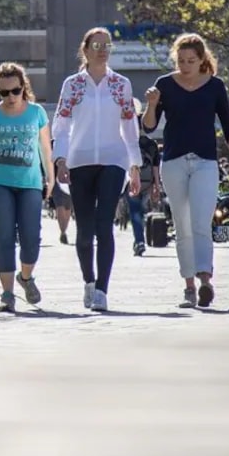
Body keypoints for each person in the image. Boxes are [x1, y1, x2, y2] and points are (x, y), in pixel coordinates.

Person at [142, 32, 229, 309]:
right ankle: (188, 286)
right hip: (173, 162)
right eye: (181, 60)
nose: (185, 66)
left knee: (201, 222)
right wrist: (152, 104)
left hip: (205, 162)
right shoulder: (164, 84)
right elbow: (149, 126)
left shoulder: (215, 86)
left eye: (191, 61)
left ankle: (205, 280)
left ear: (201, 60)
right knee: (182, 226)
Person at [51, 27, 142, 312]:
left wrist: (135, 164)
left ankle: (102, 289)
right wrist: (60, 159)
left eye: (107, 45)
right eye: (97, 45)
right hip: (80, 161)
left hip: (114, 160)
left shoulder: (121, 84)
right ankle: (89, 282)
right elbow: (62, 125)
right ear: (85, 50)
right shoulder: (72, 85)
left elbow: (129, 126)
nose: (102, 50)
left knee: (105, 225)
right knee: (85, 229)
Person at [0, 62, 54, 312]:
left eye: (15, 91)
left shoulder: (37, 112)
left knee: (31, 237)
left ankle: (25, 277)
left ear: (23, 87)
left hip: (30, 183)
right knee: (4, 236)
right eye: (5, 92)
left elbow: (45, 148)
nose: (11, 97)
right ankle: (7, 294)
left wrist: (50, 178)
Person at [128, 134, 162, 256]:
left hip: (131, 180)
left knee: (135, 211)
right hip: (147, 183)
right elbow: (155, 168)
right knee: (141, 211)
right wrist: (156, 186)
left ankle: (139, 241)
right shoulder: (152, 144)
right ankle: (139, 239)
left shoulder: (129, 141)